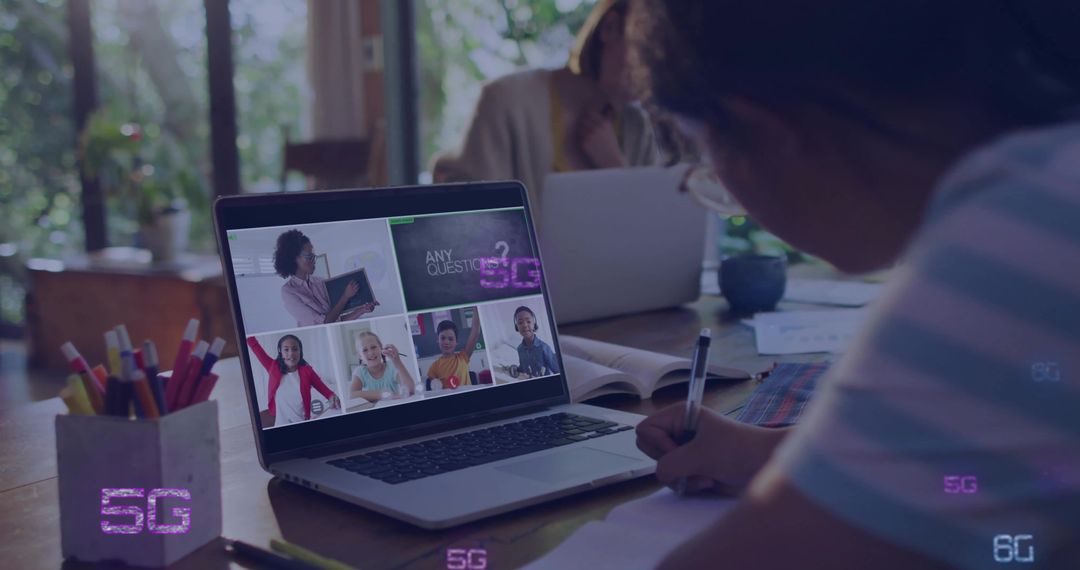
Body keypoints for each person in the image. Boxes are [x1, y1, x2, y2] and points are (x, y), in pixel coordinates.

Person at [629, 0, 1080, 568]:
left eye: (710, 167)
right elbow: (983, 472)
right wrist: (777, 456)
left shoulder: (1024, 232)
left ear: (767, 135)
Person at [432, 0, 661, 215]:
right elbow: (473, 218)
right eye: (646, 50)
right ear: (609, 28)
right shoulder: (506, 100)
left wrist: (615, 168)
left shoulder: (636, 126)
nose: (652, 71)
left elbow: (649, 229)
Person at [274, 229, 376, 327]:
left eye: (314, 256)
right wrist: (345, 297)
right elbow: (324, 323)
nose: (314, 261)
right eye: (309, 257)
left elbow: (337, 320)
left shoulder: (321, 282)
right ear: (293, 258)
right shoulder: (288, 291)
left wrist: (362, 310)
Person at [246, 335, 340, 426]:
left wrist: (333, 398)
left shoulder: (308, 371)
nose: (291, 353)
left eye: (295, 349)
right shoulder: (273, 367)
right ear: (280, 352)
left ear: (300, 352)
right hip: (280, 426)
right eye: (286, 349)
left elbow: (327, 392)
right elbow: (254, 345)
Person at [350, 331, 417, 402]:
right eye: (365, 350)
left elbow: (410, 390)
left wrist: (397, 362)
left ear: (381, 349)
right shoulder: (360, 372)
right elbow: (352, 395)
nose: (371, 353)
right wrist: (383, 395)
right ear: (360, 356)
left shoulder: (391, 367)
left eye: (373, 347)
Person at [426, 310, 483, 389]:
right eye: (443, 338)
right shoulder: (434, 367)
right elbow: (434, 390)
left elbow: (475, 332)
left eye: (451, 339)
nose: (446, 342)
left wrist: (476, 308)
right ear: (438, 341)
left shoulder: (463, 357)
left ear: (456, 342)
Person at [513, 306, 559, 377]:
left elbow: (557, 371)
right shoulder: (519, 349)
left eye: (528, 321)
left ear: (534, 324)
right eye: (520, 322)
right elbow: (523, 367)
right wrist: (515, 369)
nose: (525, 325)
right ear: (517, 327)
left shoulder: (544, 347)